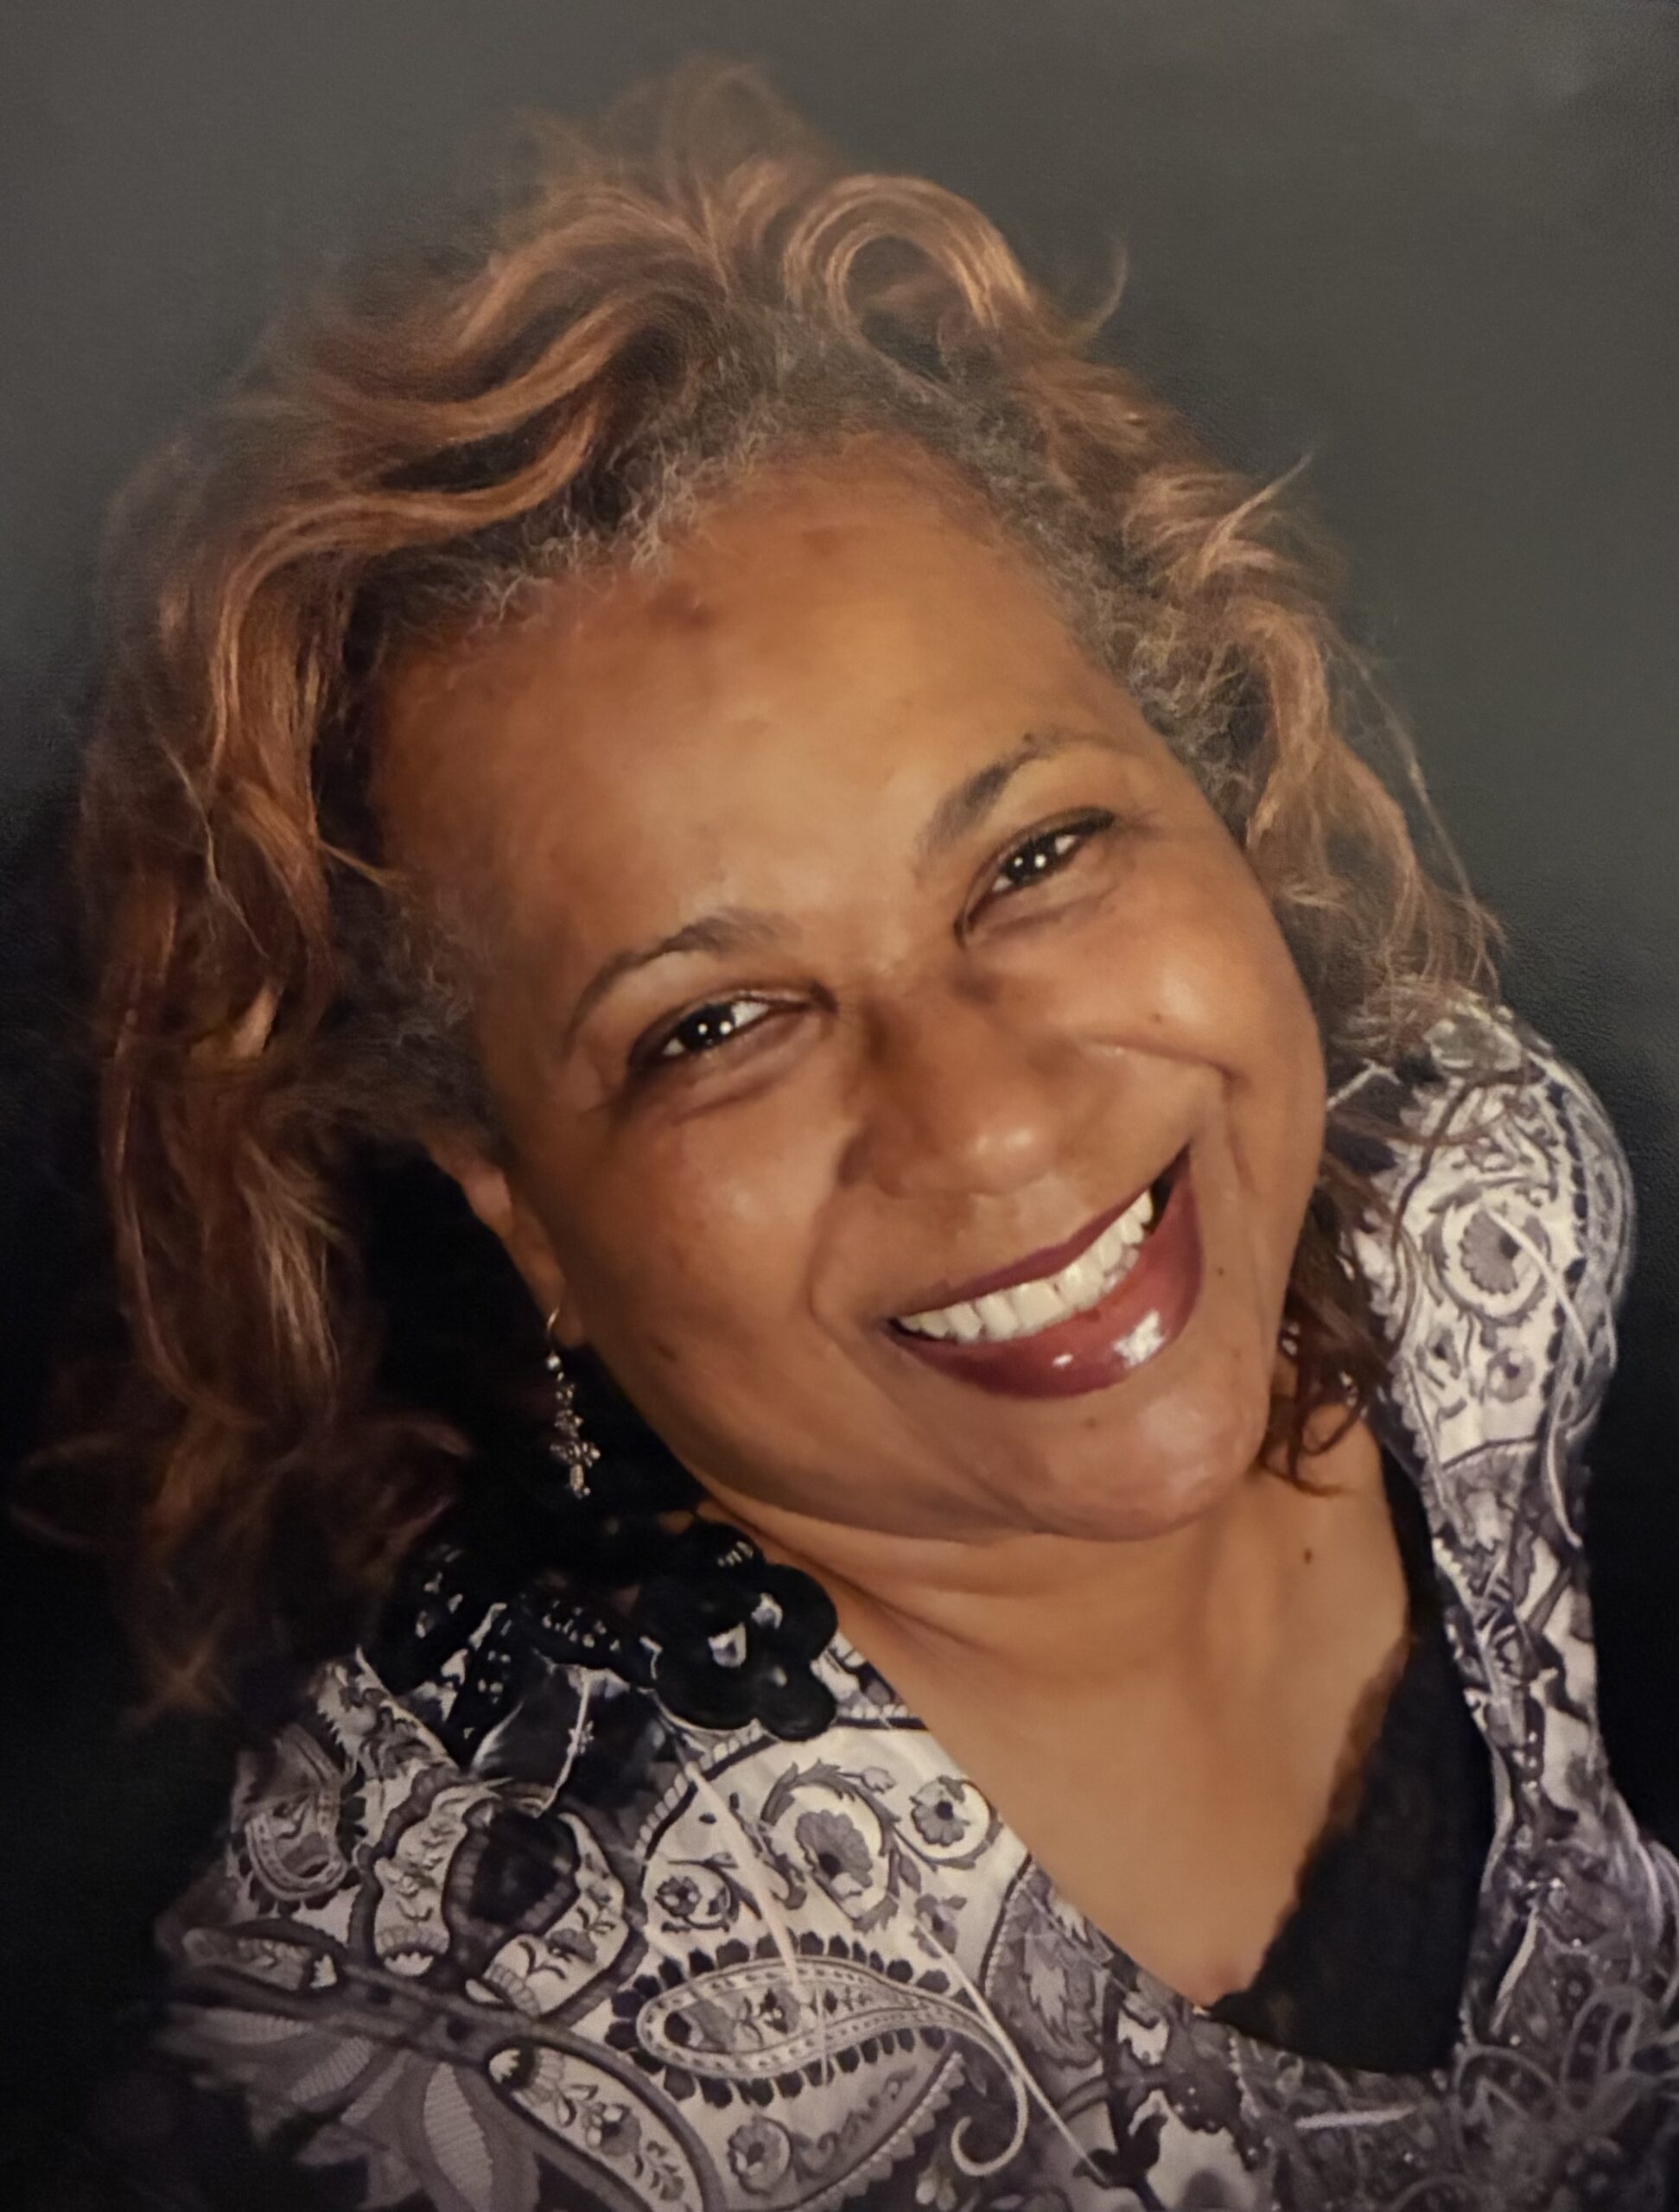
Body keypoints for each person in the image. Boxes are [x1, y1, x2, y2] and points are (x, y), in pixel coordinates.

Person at [47, 59, 1679, 2212]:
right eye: (713, 1023)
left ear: (1218, 798)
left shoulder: (1484, 1201)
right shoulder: (450, 2091)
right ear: (519, 1206)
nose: (991, 1120)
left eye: (1039, 853)